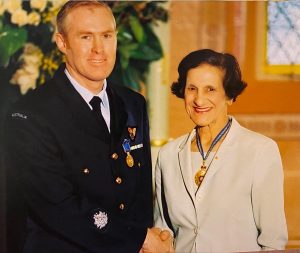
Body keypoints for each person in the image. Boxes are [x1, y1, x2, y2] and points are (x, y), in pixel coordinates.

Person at [4, 1, 173, 253]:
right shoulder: (29, 116)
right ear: (62, 43)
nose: (99, 49)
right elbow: (57, 207)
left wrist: (149, 239)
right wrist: (139, 239)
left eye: (107, 36)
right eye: (85, 37)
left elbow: (139, 196)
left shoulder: (132, 103)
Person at [154, 49, 288, 252]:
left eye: (210, 90)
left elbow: (272, 241)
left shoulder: (260, 151)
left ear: (229, 95)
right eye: (192, 89)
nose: (199, 100)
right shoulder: (168, 155)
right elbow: (163, 231)